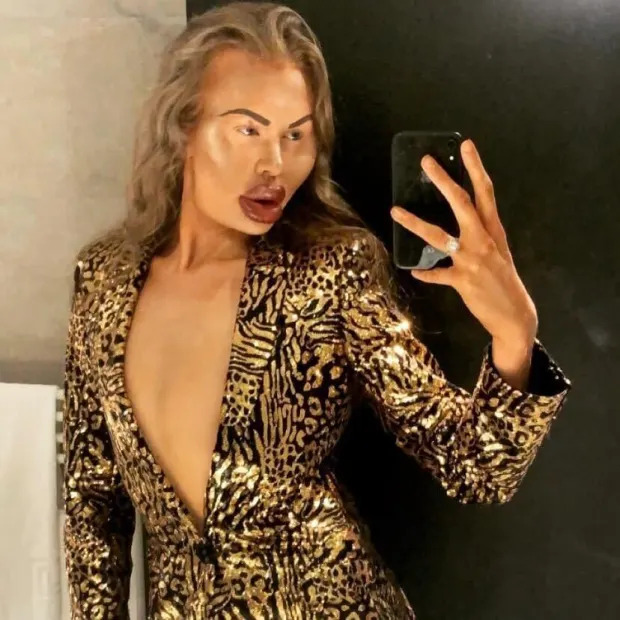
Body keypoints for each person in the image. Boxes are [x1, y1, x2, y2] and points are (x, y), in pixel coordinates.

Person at [61, 2, 572, 618]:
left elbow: (474, 469)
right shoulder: (103, 280)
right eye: (249, 130)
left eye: (296, 135)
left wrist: (514, 335)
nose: (275, 164)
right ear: (183, 125)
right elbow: (92, 502)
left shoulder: (332, 273)